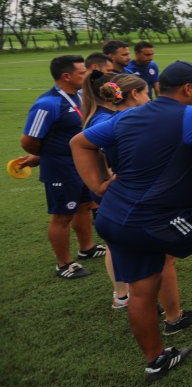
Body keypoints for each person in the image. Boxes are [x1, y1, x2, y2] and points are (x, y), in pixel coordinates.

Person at [71, 61, 192, 383]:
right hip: (155, 220)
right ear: (188, 89)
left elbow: (79, 142)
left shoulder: (126, 115)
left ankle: (156, 361)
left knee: (141, 291)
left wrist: (98, 187)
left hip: (114, 218)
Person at [20, 55, 103, 279]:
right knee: (62, 216)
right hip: (60, 168)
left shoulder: (78, 96)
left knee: (84, 206)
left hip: (81, 164)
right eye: (82, 72)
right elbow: (28, 141)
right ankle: (63, 264)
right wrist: (44, 156)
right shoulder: (47, 104)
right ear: (66, 76)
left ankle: (87, 248)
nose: (86, 75)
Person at [81, 72, 150, 309]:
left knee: (118, 243)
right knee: (118, 244)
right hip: (118, 191)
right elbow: (91, 149)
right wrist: (104, 179)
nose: (149, 98)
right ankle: (123, 294)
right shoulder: (105, 120)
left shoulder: (108, 116)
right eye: (146, 93)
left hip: (119, 189)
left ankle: (124, 294)